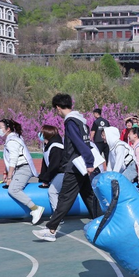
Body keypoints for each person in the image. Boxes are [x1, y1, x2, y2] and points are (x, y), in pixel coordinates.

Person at [33, 93, 98, 242]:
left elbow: (79, 143)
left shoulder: (70, 122)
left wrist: (89, 162)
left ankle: (51, 230)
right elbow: (86, 142)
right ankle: (105, 223)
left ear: (58, 107)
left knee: (65, 198)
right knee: (89, 197)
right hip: (82, 165)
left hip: (75, 166)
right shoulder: (82, 121)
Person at [0, 118, 43, 224]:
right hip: (20, 168)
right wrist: (6, 173)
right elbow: (9, 159)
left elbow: (13, 160)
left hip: (24, 168)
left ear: (8, 129)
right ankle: (17, 212)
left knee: (13, 190)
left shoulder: (12, 141)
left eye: (0, 127)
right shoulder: (14, 137)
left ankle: (35, 208)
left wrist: (9, 177)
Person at [37, 124, 65, 212]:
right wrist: (42, 178)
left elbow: (54, 165)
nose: (40, 134)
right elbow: (45, 164)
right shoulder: (47, 146)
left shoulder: (56, 147)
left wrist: (46, 180)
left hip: (62, 172)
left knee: (52, 191)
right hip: (57, 173)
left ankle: (57, 216)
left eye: (41, 132)